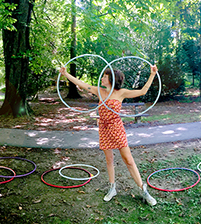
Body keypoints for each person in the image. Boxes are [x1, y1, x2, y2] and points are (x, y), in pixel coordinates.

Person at [59, 64, 158, 206]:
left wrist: (152, 74)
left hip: (117, 128)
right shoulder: (99, 91)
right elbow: (81, 83)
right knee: (109, 159)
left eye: (104, 76)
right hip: (104, 128)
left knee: (128, 160)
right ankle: (112, 188)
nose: (102, 79)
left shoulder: (121, 93)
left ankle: (144, 191)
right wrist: (65, 74)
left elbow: (142, 91)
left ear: (111, 79)